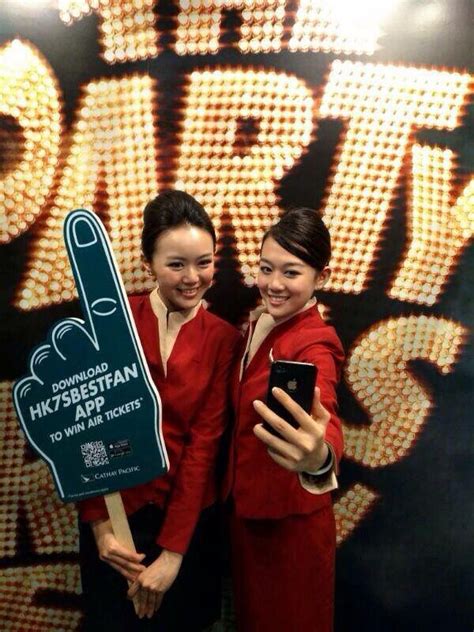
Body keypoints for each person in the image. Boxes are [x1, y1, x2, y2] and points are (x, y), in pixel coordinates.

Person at [78, 190, 240, 631]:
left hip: (187, 526)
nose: (193, 277)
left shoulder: (225, 340)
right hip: (117, 522)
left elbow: (203, 447)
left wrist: (173, 554)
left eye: (204, 262)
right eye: (177, 264)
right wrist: (99, 525)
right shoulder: (112, 320)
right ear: (148, 262)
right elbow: (87, 427)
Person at [225, 207, 345, 632]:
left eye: (290, 272)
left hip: (289, 532)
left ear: (321, 277)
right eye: (265, 268)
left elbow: (323, 409)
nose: (273, 284)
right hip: (248, 520)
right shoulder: (260, 323)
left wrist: (320, 458)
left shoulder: (314, 342)